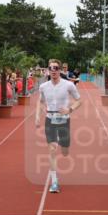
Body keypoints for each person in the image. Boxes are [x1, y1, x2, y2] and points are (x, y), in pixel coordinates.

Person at [34, 59, 81, 194]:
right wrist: (38, 115)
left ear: (60, 70)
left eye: (56, 68)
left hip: (64, 120)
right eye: (51, 68)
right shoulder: (43, 87)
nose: (53, 70)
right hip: (50, 120)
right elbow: (41, 102)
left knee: (65, 151)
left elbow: (79, 101)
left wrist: (70, 109)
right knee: (52, 150)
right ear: (48, 70)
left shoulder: (68, 85)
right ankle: (54, 182)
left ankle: (64, 145)